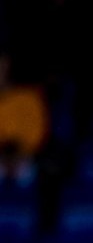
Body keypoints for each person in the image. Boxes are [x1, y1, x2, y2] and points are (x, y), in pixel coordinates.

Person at [0, 53, 48, 185]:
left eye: (2, 66)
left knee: (29, 174)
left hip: (24, 158)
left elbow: (36, 137)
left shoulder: (28, 97)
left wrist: (15, 156)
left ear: (8, 67)